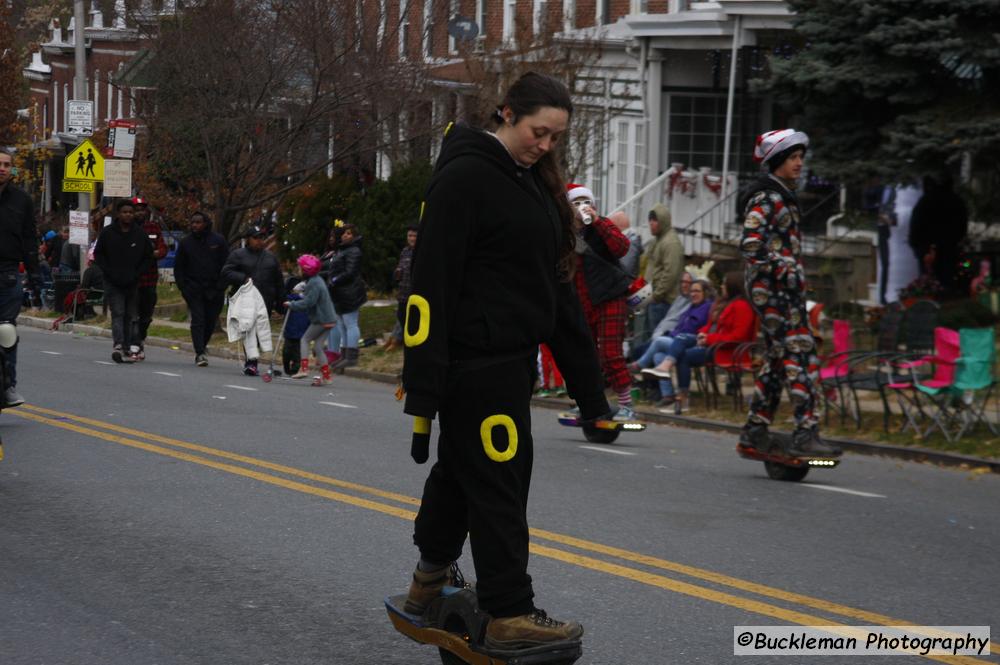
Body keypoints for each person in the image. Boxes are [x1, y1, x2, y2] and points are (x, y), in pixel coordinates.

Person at [401, 72, 611, 648]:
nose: (545, 146)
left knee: (464, 474)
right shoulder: (466, 176)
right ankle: (508, 611)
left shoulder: (535, 185)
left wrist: (591, 394)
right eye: (538, 132)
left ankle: (428, 580)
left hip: (511, 362)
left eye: (554, 138)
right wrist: (424, 384)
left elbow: (558, 292)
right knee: (499, 479)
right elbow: (430, 285)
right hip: (471, 365)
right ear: (506, 113)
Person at [737, 129, 840, 458]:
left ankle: (754, 431)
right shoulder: (767, 198)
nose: (799, 163)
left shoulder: (781, 195)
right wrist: (785, 269)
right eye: (793, 158)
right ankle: (805, 433)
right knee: (801, 353)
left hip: (784, 292)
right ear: (777, 160)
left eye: (801, 158)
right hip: (774, 292)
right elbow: (752, 243)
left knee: (780, 360)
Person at [565, 182, 635, 419]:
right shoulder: (566, 234)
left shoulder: (601, 226)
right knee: (586, 356)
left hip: (609, 297)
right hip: (583, 302)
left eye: (586, 202)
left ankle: (627, 405)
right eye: (576, 203)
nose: (582, 207)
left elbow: (622, 247)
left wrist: (596, 220)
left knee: (611, 353)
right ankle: (591, 403)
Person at [642, 272, 757, 410]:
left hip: (727, 350)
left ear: (733, 287)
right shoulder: (724, 303)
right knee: (666, 350)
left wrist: (709, 338)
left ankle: (681, 395)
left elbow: (738, 337)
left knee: (680, 351)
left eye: (725, 284)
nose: (722, 286)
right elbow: (711, 324)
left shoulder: (742, 306)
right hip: (713, 345)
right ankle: (669, 393)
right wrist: (703, 333)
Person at [0, 148, 40, 406]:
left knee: (6, 331)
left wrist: (35, 276)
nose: (2, 168)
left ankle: (9, 386)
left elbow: (29, 240)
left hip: (8, 275)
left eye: (6, 164)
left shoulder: (22, 200)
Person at [93, 199, 153, 363]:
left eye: (130, 212)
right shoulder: (108, 233)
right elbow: (98, 254)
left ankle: (128, 345)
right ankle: (118, 344)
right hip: (113, 281)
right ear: (118, 214)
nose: (128, 215)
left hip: (132, 282)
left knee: (130, 315)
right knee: (118, 312)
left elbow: (148, 257)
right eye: (124, 212)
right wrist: (108, 271)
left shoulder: (139, 234)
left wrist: (137, 273)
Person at [634, 278, 712, 404]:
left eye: (697, 291)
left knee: (659, 341)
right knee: (658, 356)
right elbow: (679, 328)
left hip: (691, 343)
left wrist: (673, 335)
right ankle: (668, 395)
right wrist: (671, 334)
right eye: (692, 291)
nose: (693, 294)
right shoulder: (691, 307)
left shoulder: (706, 307)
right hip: (678, 341)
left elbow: (691, 330)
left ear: (705, 293)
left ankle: (638, 365)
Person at [221, 223, 284, 375]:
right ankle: (251, 362)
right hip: (245, 301)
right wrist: (242, 278)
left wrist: (281, 302)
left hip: (265, 301)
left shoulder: (270, 258)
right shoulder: (238, 255)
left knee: (260, 331)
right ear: (248, 239)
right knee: (248, 330)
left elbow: (278, 281)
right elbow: (226, 272)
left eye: (261, 238)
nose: (259, 241)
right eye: (255, 238)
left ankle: (257, 359)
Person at [173, 211, 229, 367]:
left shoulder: (218, 240)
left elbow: (227, 264)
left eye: (198, 222)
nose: (195, 225)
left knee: (210, 320)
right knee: (198, 319)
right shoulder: (186, 243)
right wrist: (183, 287)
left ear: (205, 223)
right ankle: (199, 353)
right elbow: (179, 267)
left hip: (214, 288)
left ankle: (202, 346)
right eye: (193, 223)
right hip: (193, 288)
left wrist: (221, 286)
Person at [908, 173, 969, 295]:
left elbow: (916, 225)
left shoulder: (925, 201)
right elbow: (962, 226)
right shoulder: (956, 201)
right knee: (947, 282)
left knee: (928, 284)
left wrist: (916, 246)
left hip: (927, 249)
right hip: (949, 248)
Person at [285, 254, 337, 385]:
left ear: (306, 270)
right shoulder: (317, 280)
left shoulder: (313, 283)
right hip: (330, 318)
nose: (299, 270)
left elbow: (309, 302)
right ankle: (326, 376)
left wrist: (292, 304)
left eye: (300, 268)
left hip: (321, 319)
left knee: (305, 339)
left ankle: (304, 368)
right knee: (318, 346)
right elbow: (312, 297)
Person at [130, 197, 168, 360]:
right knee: (133, 315)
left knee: (146, 315)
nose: (139, 213)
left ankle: (140, 340)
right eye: (136, 210)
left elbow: (162, 248)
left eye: (142, 209)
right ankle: (134, 344)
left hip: (149, 278)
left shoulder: (153, 227)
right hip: (131, 279)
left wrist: (155, 253)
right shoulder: (125, 229)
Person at [326, 222, 366, 373]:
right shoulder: (342, 250)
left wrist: (335, 280)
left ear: (354, 236)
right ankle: (343, 355)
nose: (345, 235)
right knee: (342, 324)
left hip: (350, 292)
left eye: (349, 233)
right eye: (344, 233)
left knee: (351, 323)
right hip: (340, 293)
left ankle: (351, 356)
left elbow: (350, 272)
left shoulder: (354, 251)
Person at [643, 202, 684, 337]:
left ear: (663, 221)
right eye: (650, 220)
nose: (651, 223)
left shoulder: (670, 242)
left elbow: (670, 273)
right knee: (649, 335)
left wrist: (657, 295)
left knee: (656, 336)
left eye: (654, 220)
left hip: (663, 301)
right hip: (653, 298)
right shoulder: (658, 240)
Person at [388, 225, 418, 351]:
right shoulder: (405, 251)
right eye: (409, 235)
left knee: (413, 319)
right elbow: (400, 267)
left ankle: (410, 344)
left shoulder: (422, 251)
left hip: (415, 293)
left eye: (414, 236)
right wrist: (397, 272)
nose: (411, 238)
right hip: (403, 292)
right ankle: (402, 341)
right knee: (401, 316)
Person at [608, 211, 642, 278]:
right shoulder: (629, 239)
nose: (610, 230)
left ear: (618, 225)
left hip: (627, 284)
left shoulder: (630, 242)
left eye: (611, 226)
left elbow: (626, 268)